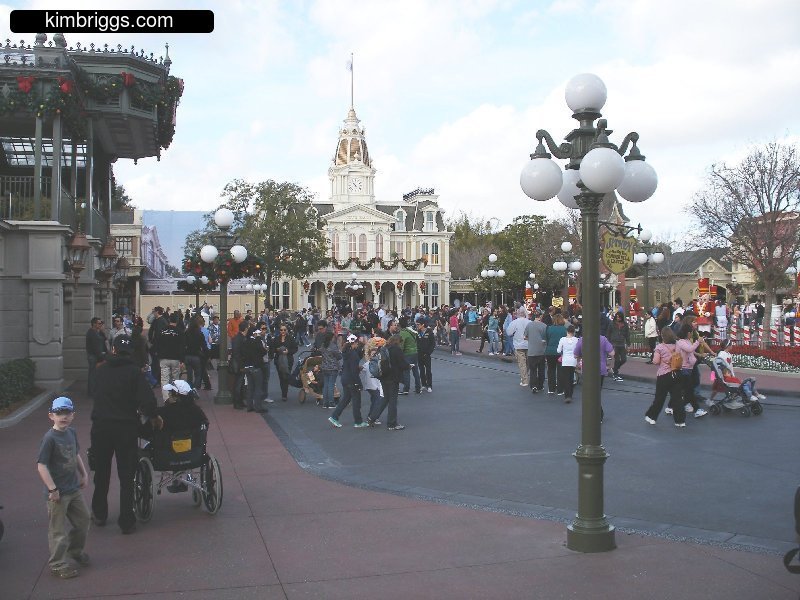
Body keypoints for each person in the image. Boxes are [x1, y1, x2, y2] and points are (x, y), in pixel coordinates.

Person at [90, 335, 161, 534]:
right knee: (126, 475)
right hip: (125, 427)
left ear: (113, 350)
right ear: (130, 352)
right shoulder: (134, 372)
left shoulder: (100, 370)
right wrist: (152, 415)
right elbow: (147, 401)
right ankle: (126, 520)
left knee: (102, 472)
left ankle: (99, 513)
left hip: (101, 425)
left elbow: (95, 393)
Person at [37, 396, 91, 579]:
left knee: (83, 520)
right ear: (51, 415)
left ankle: (75, 550)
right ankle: (58, 564)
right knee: (57, 531)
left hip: (73, 488)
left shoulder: (71, 432)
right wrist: (52, 489)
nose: (63, 416)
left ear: (73, 415)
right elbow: (41, 466)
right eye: (59, 413)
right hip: (57, 493)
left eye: (67, 413)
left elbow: (75, 454)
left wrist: (84, 474)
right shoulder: (49, 438)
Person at [367, 334, 412, 430]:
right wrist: (409, 366)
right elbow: (402, 364)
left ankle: (372, 417)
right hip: (393, 377)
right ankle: (392, 423)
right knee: (392, 400)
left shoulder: (384, 347)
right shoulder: (397, 350)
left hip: (383, 376)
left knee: (386, 398)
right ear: (398, 341)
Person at [644, 327, 686, 426]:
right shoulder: (677, 345)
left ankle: (652, 417)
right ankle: (680, 421)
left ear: (662, 336)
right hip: (677, 373)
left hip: (664, 375)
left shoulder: (660, 347)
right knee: (677, 398)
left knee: (659, 398)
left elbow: (655, 361)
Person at [573, 333, 615, 423]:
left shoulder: (582, 340)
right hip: (600, 369)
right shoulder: (603, 339)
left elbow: (576, 354)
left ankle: (594, 414)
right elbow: (612, 352)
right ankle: (598, 415)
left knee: (589, 393)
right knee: (597, 392)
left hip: (588, 369)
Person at [329, 335, 368, 428]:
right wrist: (358, 383)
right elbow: (354, 371)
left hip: (345, 378)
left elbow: (349, 366)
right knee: (356, 401)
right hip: (351, 379)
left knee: (346, 399)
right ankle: (358, 422)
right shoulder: (353, 354)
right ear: (354, 343)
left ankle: (334, 416)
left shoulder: (346, 352)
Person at [674, 323, 708, 419]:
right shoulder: (681, 342)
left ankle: (674, 406)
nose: (691, 334)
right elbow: (689, 349)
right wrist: (698, 341)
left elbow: (691, 351)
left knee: (687, 390)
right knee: (689, 391)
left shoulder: (686, 340)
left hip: (689, 368)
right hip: (683, 369)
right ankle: (696, 409)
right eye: (691, 332)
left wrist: (700, 355)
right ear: (688, 333)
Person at [156, 312, 186, 402]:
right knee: (175, 378)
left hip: (163, 357)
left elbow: (157, 343)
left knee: (164, 379)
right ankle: (175, 395)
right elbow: (182, 346)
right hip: (175, 357)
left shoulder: (162, 330)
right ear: (177, 321)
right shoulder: (179, 332)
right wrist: (182, 360)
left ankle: (166, 398)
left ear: (169, 320)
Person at [270, 322, 298, 402]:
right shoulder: (276, 338)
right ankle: (284, 393)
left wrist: (288, 351)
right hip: (278, 360)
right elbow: (273, 348)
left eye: (284, 330)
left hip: (288, 360)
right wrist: (277, 350)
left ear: (286, 330)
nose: (283, 331)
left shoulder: (290, 338)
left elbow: (295, 348)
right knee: (281, 377)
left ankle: (285, 393)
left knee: (286, 376)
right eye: (281, 330)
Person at [361, 336, 385, 423]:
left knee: (374, 401)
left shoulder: (367, 363)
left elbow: (361, 369)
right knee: (377, 402)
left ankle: (371, 416)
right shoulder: (373, 363)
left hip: (370, 387)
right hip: (375, 387)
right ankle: (372, 417)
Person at [506, 307, 531, 386]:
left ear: (517, 314)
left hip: (518, 345)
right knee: (528, 363)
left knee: (522, 363)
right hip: (528, 345)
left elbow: (509, 333)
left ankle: (525, 380)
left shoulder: (514, 322)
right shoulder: (530, 322)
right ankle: (525, 376)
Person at [525, 310, 548, 393]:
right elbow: (546, 338)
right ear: (540, 316)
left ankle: (533, 385)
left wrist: (531, 339)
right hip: (541, 351)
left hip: (531, 351)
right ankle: (540, 385)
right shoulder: (544, 326)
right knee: (541, 369)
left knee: (533, 369)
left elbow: (525, 336)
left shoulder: (529, 325)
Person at [544, 313, 567, 394]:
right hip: (560, 352)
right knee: (560, 371)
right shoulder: (564, 329)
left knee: (551, 370)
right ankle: (560, 390)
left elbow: (546, 339)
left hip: (550, 351)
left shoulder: (549, 328)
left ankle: (551, 388)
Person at [556, 325, 579, 403]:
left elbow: (558, 350)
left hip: (565, 360)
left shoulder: (562, 339)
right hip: (573, 360)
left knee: (565, 378)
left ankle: (567, 395)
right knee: (571, 377)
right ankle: (570, 394)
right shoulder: (576, 340)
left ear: (567, 331)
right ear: (574, 332)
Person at [85, 317, 107, 398]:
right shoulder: (91, 333)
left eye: (101, 323)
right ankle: (92, 392)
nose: (100, 325)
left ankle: (94, 390)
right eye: (99, 323)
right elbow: (95, 347)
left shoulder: (97, 332)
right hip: (93, 356)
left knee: (95, 374)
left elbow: (104, 340)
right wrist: (101, 357)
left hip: (97, 355)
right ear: (94, 324)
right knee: (93, 374)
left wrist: (102, 331)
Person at [318, 331, 341, 409]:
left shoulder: (323, 345)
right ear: (332, 337)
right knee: (331, 385)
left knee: (326, 385)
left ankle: (325, 403)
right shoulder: (333, 346)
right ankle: (331, 403)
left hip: (325, 367)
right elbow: (339, 356)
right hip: (333, 367)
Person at [398, 316, 421, 394]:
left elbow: (401, 345)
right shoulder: (411, 331)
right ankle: (418, 388)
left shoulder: (402, 333)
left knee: (406, 371)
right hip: (414, 352)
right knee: (415, 371)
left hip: (407, 354)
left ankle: (406, 389)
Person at [606, 312, 630, 382]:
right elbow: (608, 333)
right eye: (617, 317)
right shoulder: (612, 324)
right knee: (617, 359)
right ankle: (615, 374)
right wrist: (609, 343)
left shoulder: (625, 325)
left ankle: (614, 369)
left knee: (624, 359)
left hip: (621, 344)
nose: (618, 318)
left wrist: (628, 344)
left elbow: (627, 335)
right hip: (614, 344)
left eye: (619, 317)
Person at [416, 317, 436, 392]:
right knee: (421, 370)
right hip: (419, 354)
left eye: (418, 324)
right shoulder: (418, 332)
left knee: (428, 370)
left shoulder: (429, 332)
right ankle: (424, 384)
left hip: (426, 354)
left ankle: (429, 385)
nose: (417, 326)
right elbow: (417, 342)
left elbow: (433, 344)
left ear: (423, 324)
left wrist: (428, 353)